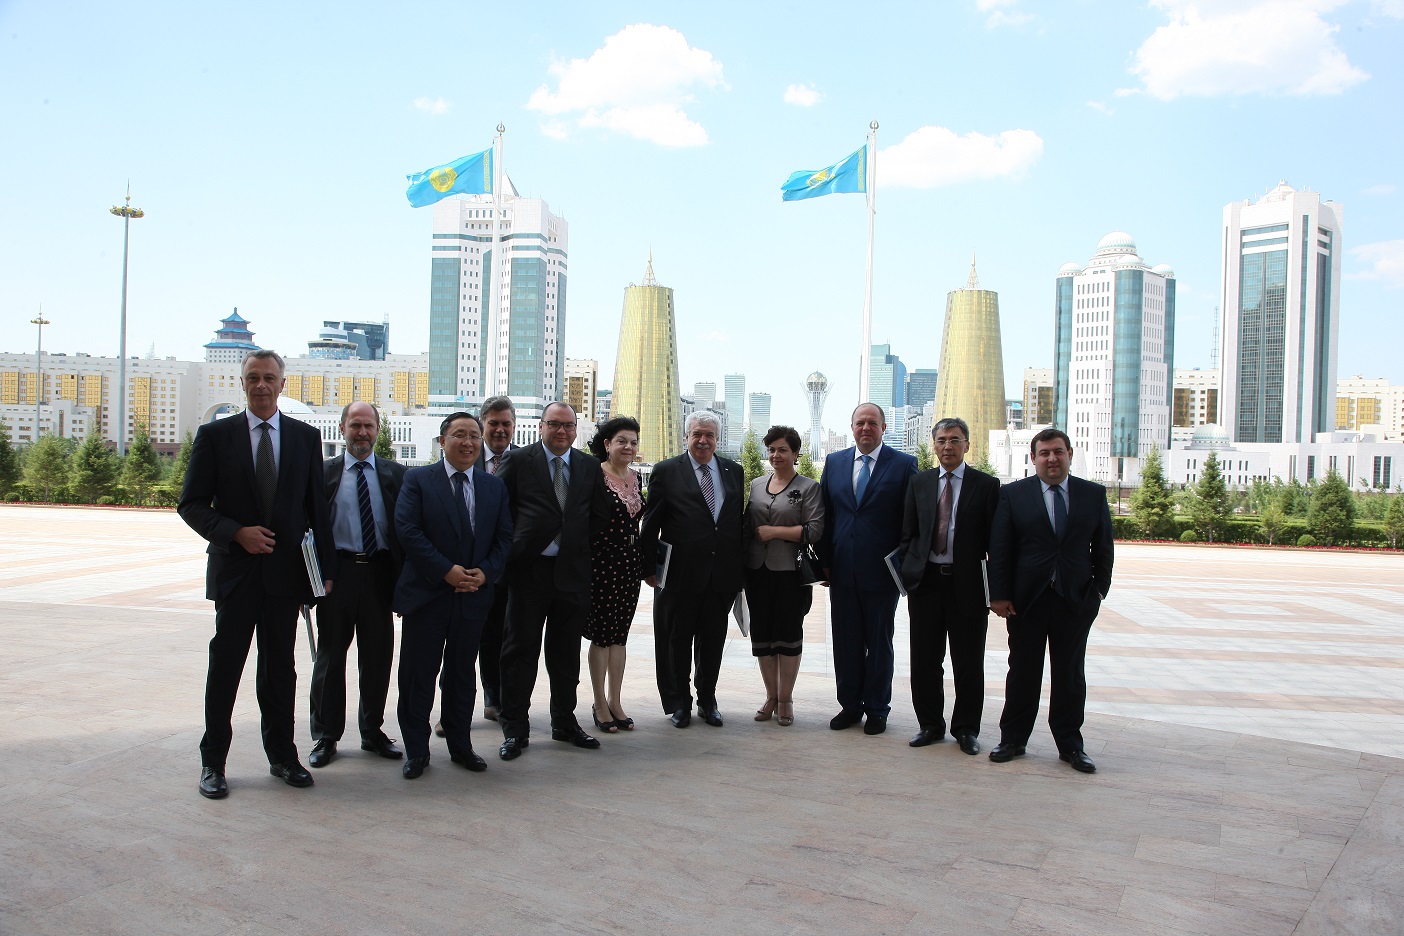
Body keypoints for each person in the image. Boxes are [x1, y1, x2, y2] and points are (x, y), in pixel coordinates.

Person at [178, 349, 336, 799]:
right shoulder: (216, 436)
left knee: (279, 672)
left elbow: (316, 510)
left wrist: (324, 571)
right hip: (236, 574)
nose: (261, 385)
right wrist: (236, 532)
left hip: (285, 578)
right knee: (225, 668)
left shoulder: (305, 438)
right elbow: (191, 504)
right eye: (253, 378)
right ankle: (213, 763)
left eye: (269, 378)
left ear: (283, 384)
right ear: (242, 383)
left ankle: (283, 757)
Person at [987, 427, 1114, 774]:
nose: (1052, 459)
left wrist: (1098, 592)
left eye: (1058, 452)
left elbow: (1103, 547)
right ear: (1034, 458)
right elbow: (1000, 548)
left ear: (1069, 454)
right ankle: (1013, 739)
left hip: (1075, 601)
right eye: (1044, 453)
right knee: (1022, 672)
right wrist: (999, 595)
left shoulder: (1092, 494)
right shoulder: (1013, 495)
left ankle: (1071, 745)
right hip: (1026, 601)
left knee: (1070, 674)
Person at [393, 412, 513, 778]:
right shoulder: (418, 479)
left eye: (474, 435)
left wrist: (485, 573)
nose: (468, 442)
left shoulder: (493, 486)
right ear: (443, 441)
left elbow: (504, 537)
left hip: (473, 596)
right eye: (460, 435)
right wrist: (446, 571)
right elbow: (408, 530)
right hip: (428, 595)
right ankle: (417, 751)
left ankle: (461, 746)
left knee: (462, 675)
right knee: (418, 675)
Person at [495, 402, 610, 760]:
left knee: (565, 654)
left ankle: (564, 722)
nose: (561, 431)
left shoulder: (589, 466)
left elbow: (598, 515)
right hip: (528, 571)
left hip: (572, 574)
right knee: (520, 652)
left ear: (576, 430)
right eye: (554, 424)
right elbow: (499, 510)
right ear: (541, 426)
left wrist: (578, 545)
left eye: (568, 426)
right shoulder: (518, 461)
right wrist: (515, 548)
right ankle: (515, 728)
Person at [308, 401, 407, 768]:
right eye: (355, 425)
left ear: (378, 430)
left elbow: (407, 530)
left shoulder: (397, 475)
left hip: (380, 574)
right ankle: (326, 735)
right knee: (330, 657)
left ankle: (372, 730)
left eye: (368, 425)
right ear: (342, 429)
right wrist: (313, 580)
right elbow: (307, 530)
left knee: (378, 657)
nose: (362, 432)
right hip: (338, 575)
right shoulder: (322, 474)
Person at [897, 417, 1000, 755]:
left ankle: (966, 729)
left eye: (955, 440)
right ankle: (930, 724)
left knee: (968, 661)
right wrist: (910, 574)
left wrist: (995, 589)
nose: (948, 446)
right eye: (941, 440)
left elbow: (995, 542)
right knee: (925, 659)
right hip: (926, 584)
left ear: (967, 444)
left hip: (967, 585)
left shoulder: (987, 485)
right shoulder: (919, 483)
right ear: (934, 445)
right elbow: (908, 534)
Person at [639, 412, 745, 729]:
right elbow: (651, 523)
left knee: (713, 642)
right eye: (697, 434)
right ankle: (680, 703)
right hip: (679, 575)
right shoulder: (666, 471)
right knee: (678, 640)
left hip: (721, 575)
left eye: (709, 435)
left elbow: (734, 523)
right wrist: (648, 568)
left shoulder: (733, 471)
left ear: (717, 438)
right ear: (686, 437)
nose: (703, 440)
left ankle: (707, 701)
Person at [818, 402, 918, 736]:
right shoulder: (834, 462)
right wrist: (825, 562)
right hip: (842, 570)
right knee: (845, 641)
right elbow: (826, 514)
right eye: (860, 422)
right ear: (852, 427)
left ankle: (876, 708)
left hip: (882, 572)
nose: (865, 428)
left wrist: (903, 563)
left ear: (883, 428)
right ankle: (850, 705)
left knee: (879, 642)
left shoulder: (903, 465)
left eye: (872, 423)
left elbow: (911, 519)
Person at [434, 394, 516, 737]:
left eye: (506, 424)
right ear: (483, 425)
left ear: (514, 426)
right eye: (493, 423)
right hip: (459, 573)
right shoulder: (463, 456)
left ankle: (496, 700)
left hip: (503, 571)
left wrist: (492, 566)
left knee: (500, 640)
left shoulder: (523, 461)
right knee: (458, 646)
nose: (500, 430)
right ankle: (451, 713)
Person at [743, 426, 824, 728]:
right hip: (756, 571)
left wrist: (775, 532)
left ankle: (786, 698)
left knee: (788, 635)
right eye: (772, 450)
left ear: (796, 453)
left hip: (790, 572)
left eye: (783, 450)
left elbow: (815, 529)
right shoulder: (756, 484)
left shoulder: (808, 487)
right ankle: (771, 696)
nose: (776, 455)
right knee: (763, 635)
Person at [583, 416, 646, 733]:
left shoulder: (636, 477)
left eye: (633, 442)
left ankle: (615, 701)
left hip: (630, 565)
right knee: (602, 636)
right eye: (622, 440)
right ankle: (599, 703)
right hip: (602, 564)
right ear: (607, 444)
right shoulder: (594, 476)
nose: (628, 447)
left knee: (620, 636)